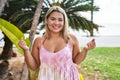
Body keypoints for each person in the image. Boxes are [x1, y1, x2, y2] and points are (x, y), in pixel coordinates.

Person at [18, 6, 96, 80]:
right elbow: (33, 66)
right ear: (47, 20)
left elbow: (77, 61)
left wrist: (85, 50)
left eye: (60, 20)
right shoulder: (39, 41)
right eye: (53, 19)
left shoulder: (71, 39)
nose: (56, 23)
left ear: (64, 22)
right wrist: (26, 50)